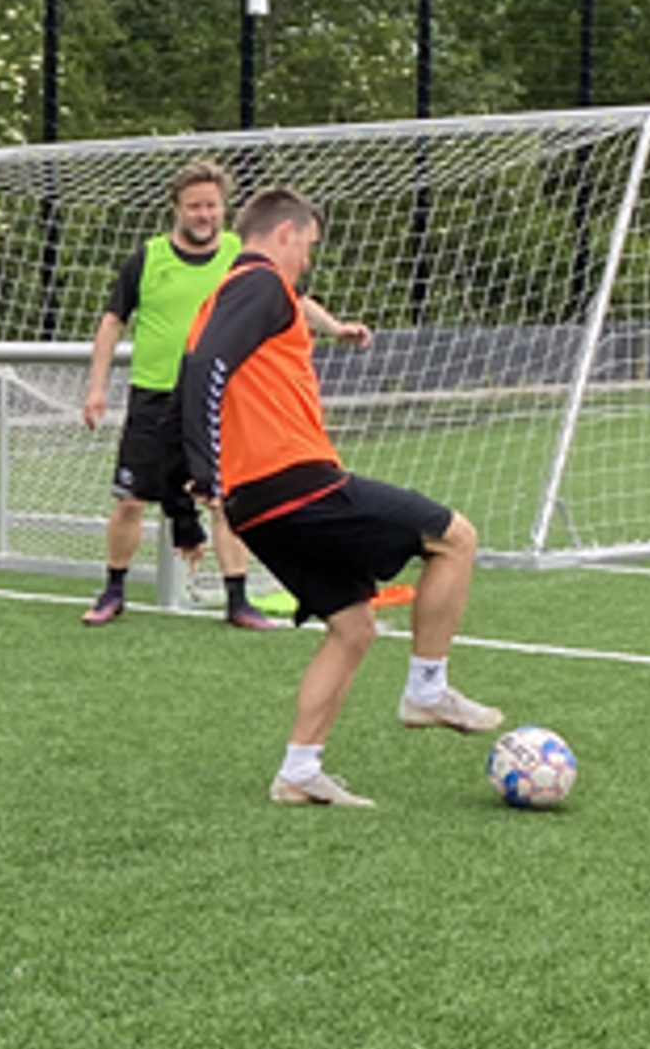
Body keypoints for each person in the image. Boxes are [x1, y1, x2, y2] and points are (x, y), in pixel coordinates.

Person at [180, 185, 500, 807]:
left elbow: (192, 379)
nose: (308, 262)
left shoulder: (225, 297)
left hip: (254, 504)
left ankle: (299, 772)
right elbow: (205, 370)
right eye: (309, 248)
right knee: (455, 537)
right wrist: (201, 470)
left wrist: (187, 497)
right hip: (294, 482)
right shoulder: (260, 283)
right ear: (286, 234)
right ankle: (428, 689)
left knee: (353, 626)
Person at [76, 159, 268, 629]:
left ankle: (238, 601)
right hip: (154, 397)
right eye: (194, 206)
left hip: (217, 397)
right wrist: (97, 386)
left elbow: (290, 298)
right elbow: (111, 320)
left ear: (224, 207)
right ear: (177, 209)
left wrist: (336, 327)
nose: (204, 215)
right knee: (129, 499)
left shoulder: (242, 256)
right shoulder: (148, 258)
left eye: (212, 206)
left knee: (225, 501)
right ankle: (113, 591)